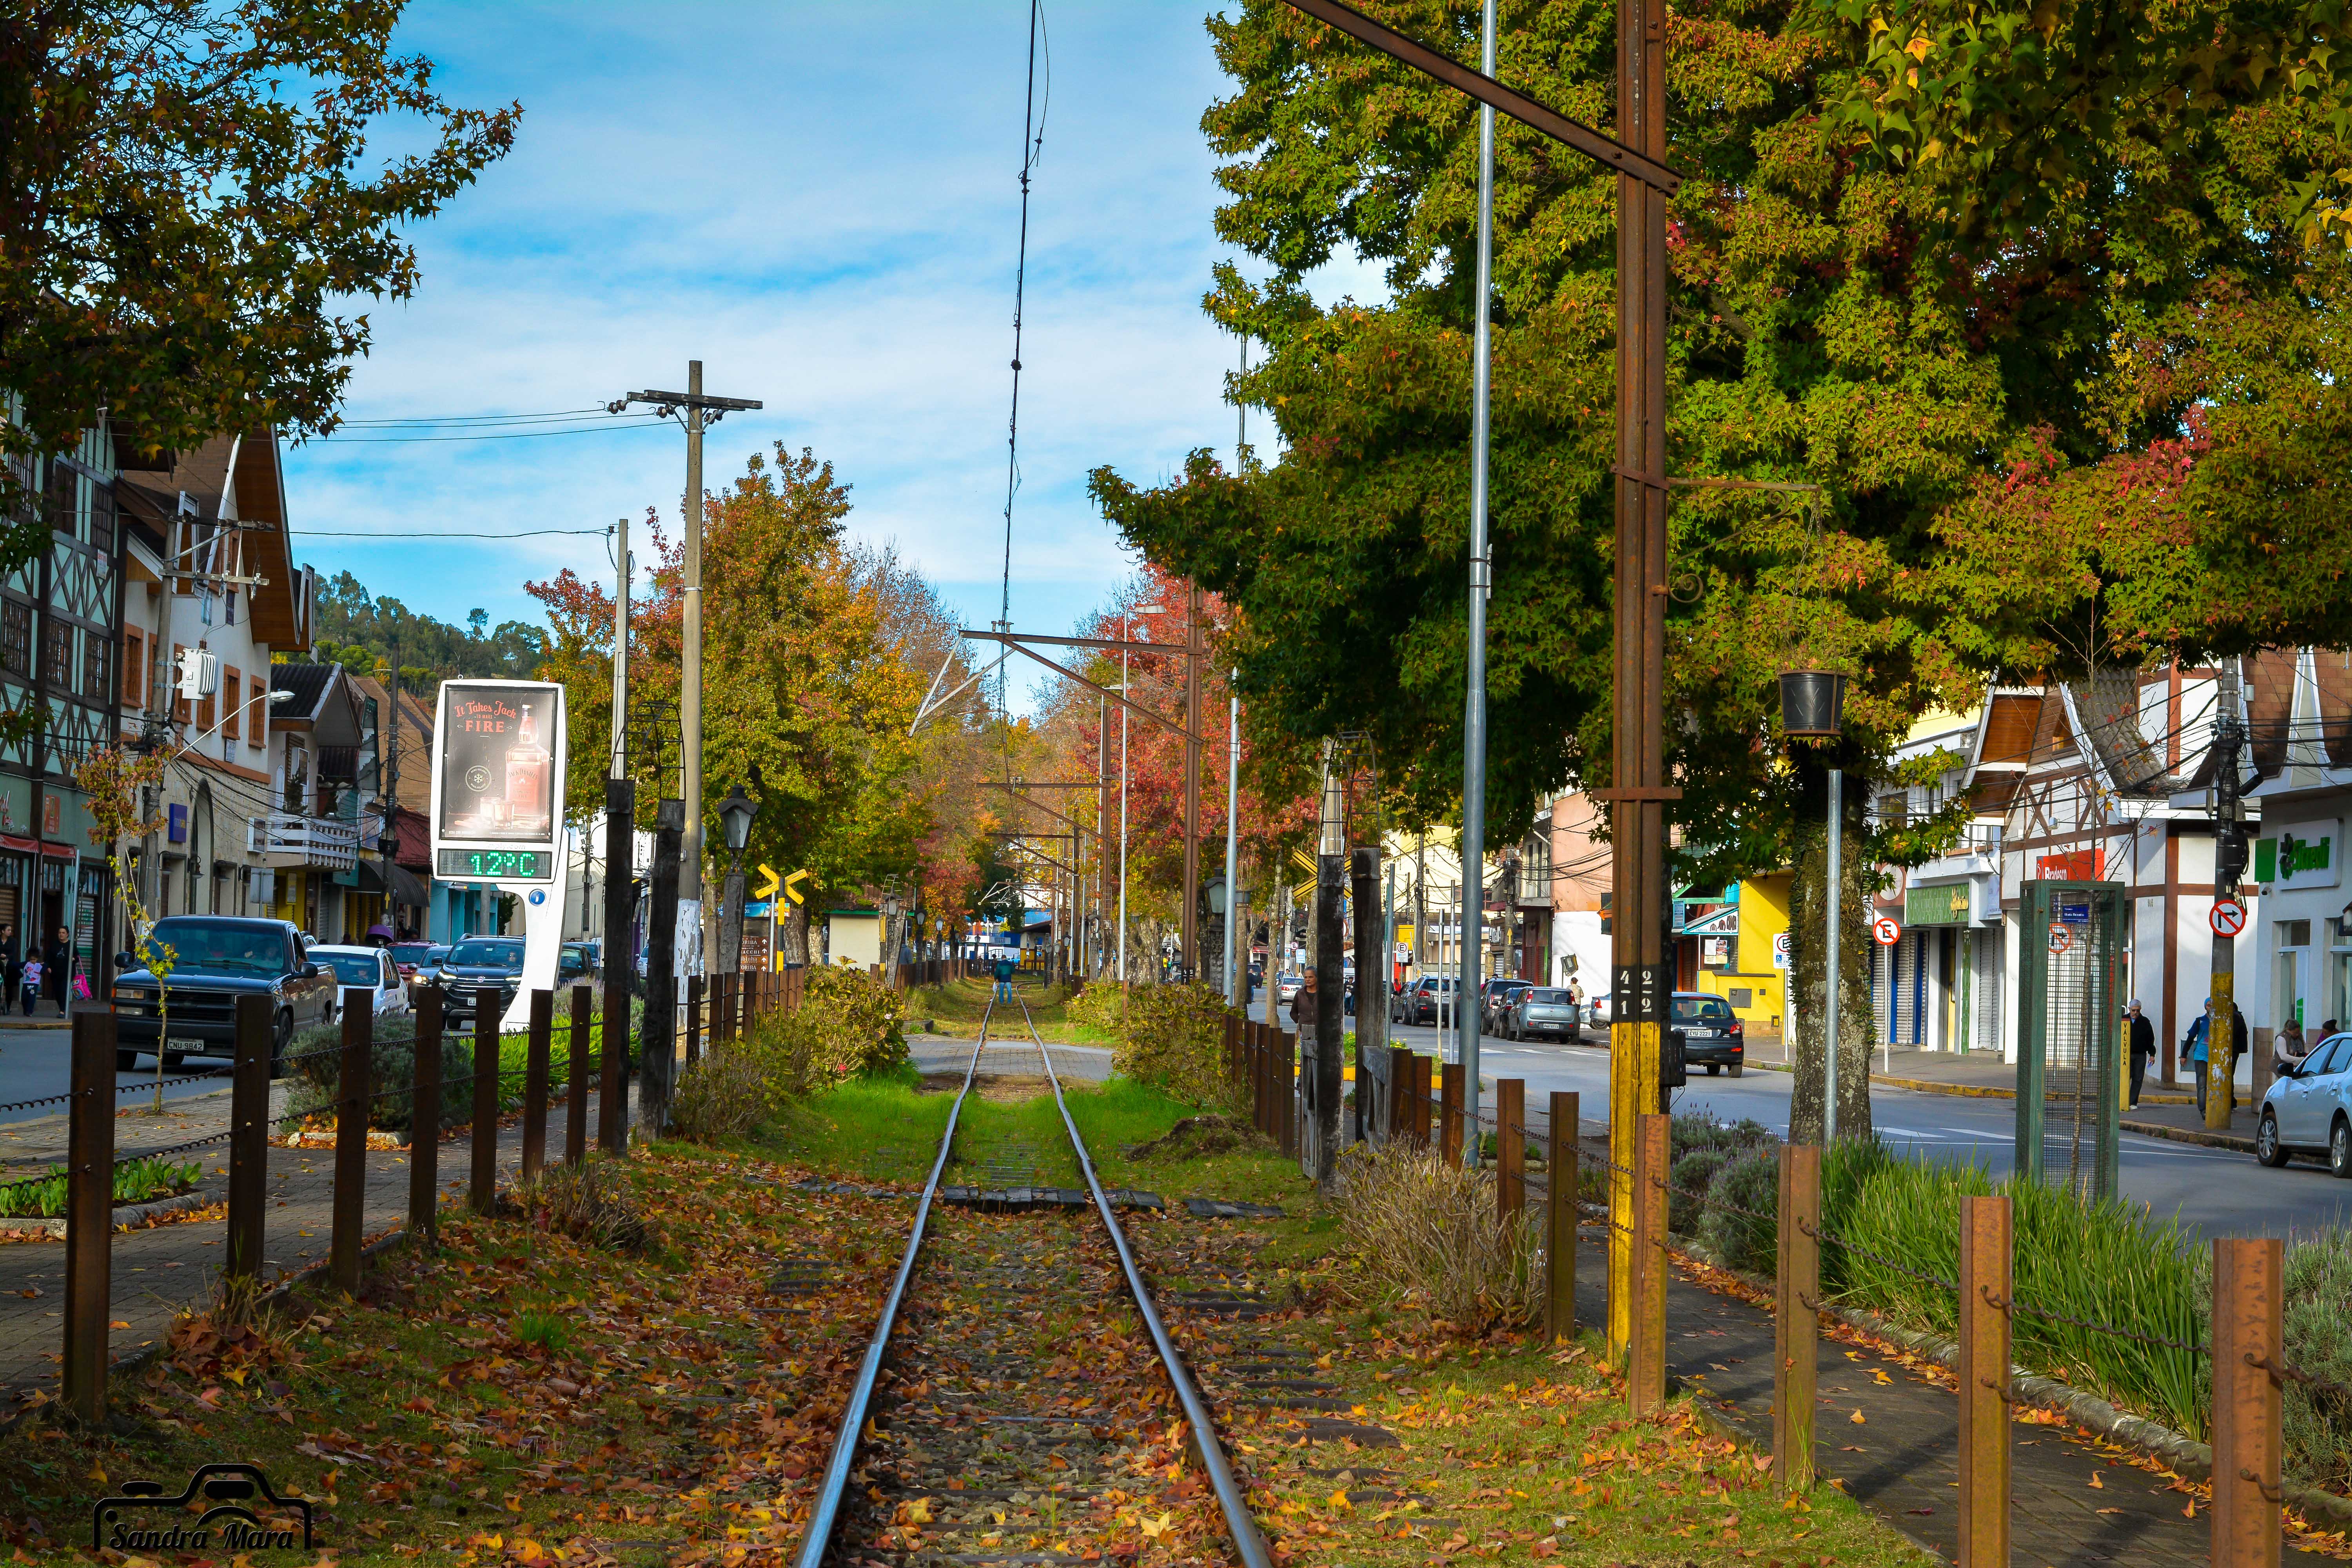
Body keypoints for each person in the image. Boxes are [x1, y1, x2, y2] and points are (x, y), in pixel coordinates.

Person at [2127, 999, 2156, 1109]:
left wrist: (2152, 1055)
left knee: (2138, 1079)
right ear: (2129, 1009)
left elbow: (2150, 1039)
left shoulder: (2145, 1022)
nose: (2136, 1013)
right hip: (2126, 1054)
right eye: (2133, 1010)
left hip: (2140, 1055)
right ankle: (2122, 1100)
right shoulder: (2124, 1020)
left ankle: (2132, 1102)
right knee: (2125, 1077)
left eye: (2138, 1011)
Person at [2186, 998, 2212, 1115]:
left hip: (2215, 1058)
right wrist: (2184, 1054)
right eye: (2209, 1005)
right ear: (2205, 1007)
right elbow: (2190, 1038)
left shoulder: (2221, 1022)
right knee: (2202, 1084)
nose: (2211, 1008)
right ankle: (2203, 1110)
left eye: (2213, 1005)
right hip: (2201, 1056)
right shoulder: (2200, 1021)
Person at [44, 925, 69, 1017]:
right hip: (55, 973)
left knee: (63, 991)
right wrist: (48, 967)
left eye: (63, 933)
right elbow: (48, 957)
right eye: (60, 933)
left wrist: (74, 959)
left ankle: (63, 1011)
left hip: (66, 973)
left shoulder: (71, 945)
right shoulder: (54, 944)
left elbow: (77, 956)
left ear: (67, 934)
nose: (61, 934)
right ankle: (62, 1008)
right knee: (57, 992)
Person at [0, 922, 18, 1016]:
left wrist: (6, 956)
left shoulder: (13, 941)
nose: (10, 932)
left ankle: (8, 1005)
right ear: (3, 931)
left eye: (11, 930)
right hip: (0, 965)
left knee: (9, 987)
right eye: (8, 930)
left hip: (9, 965)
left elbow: (14, 953)